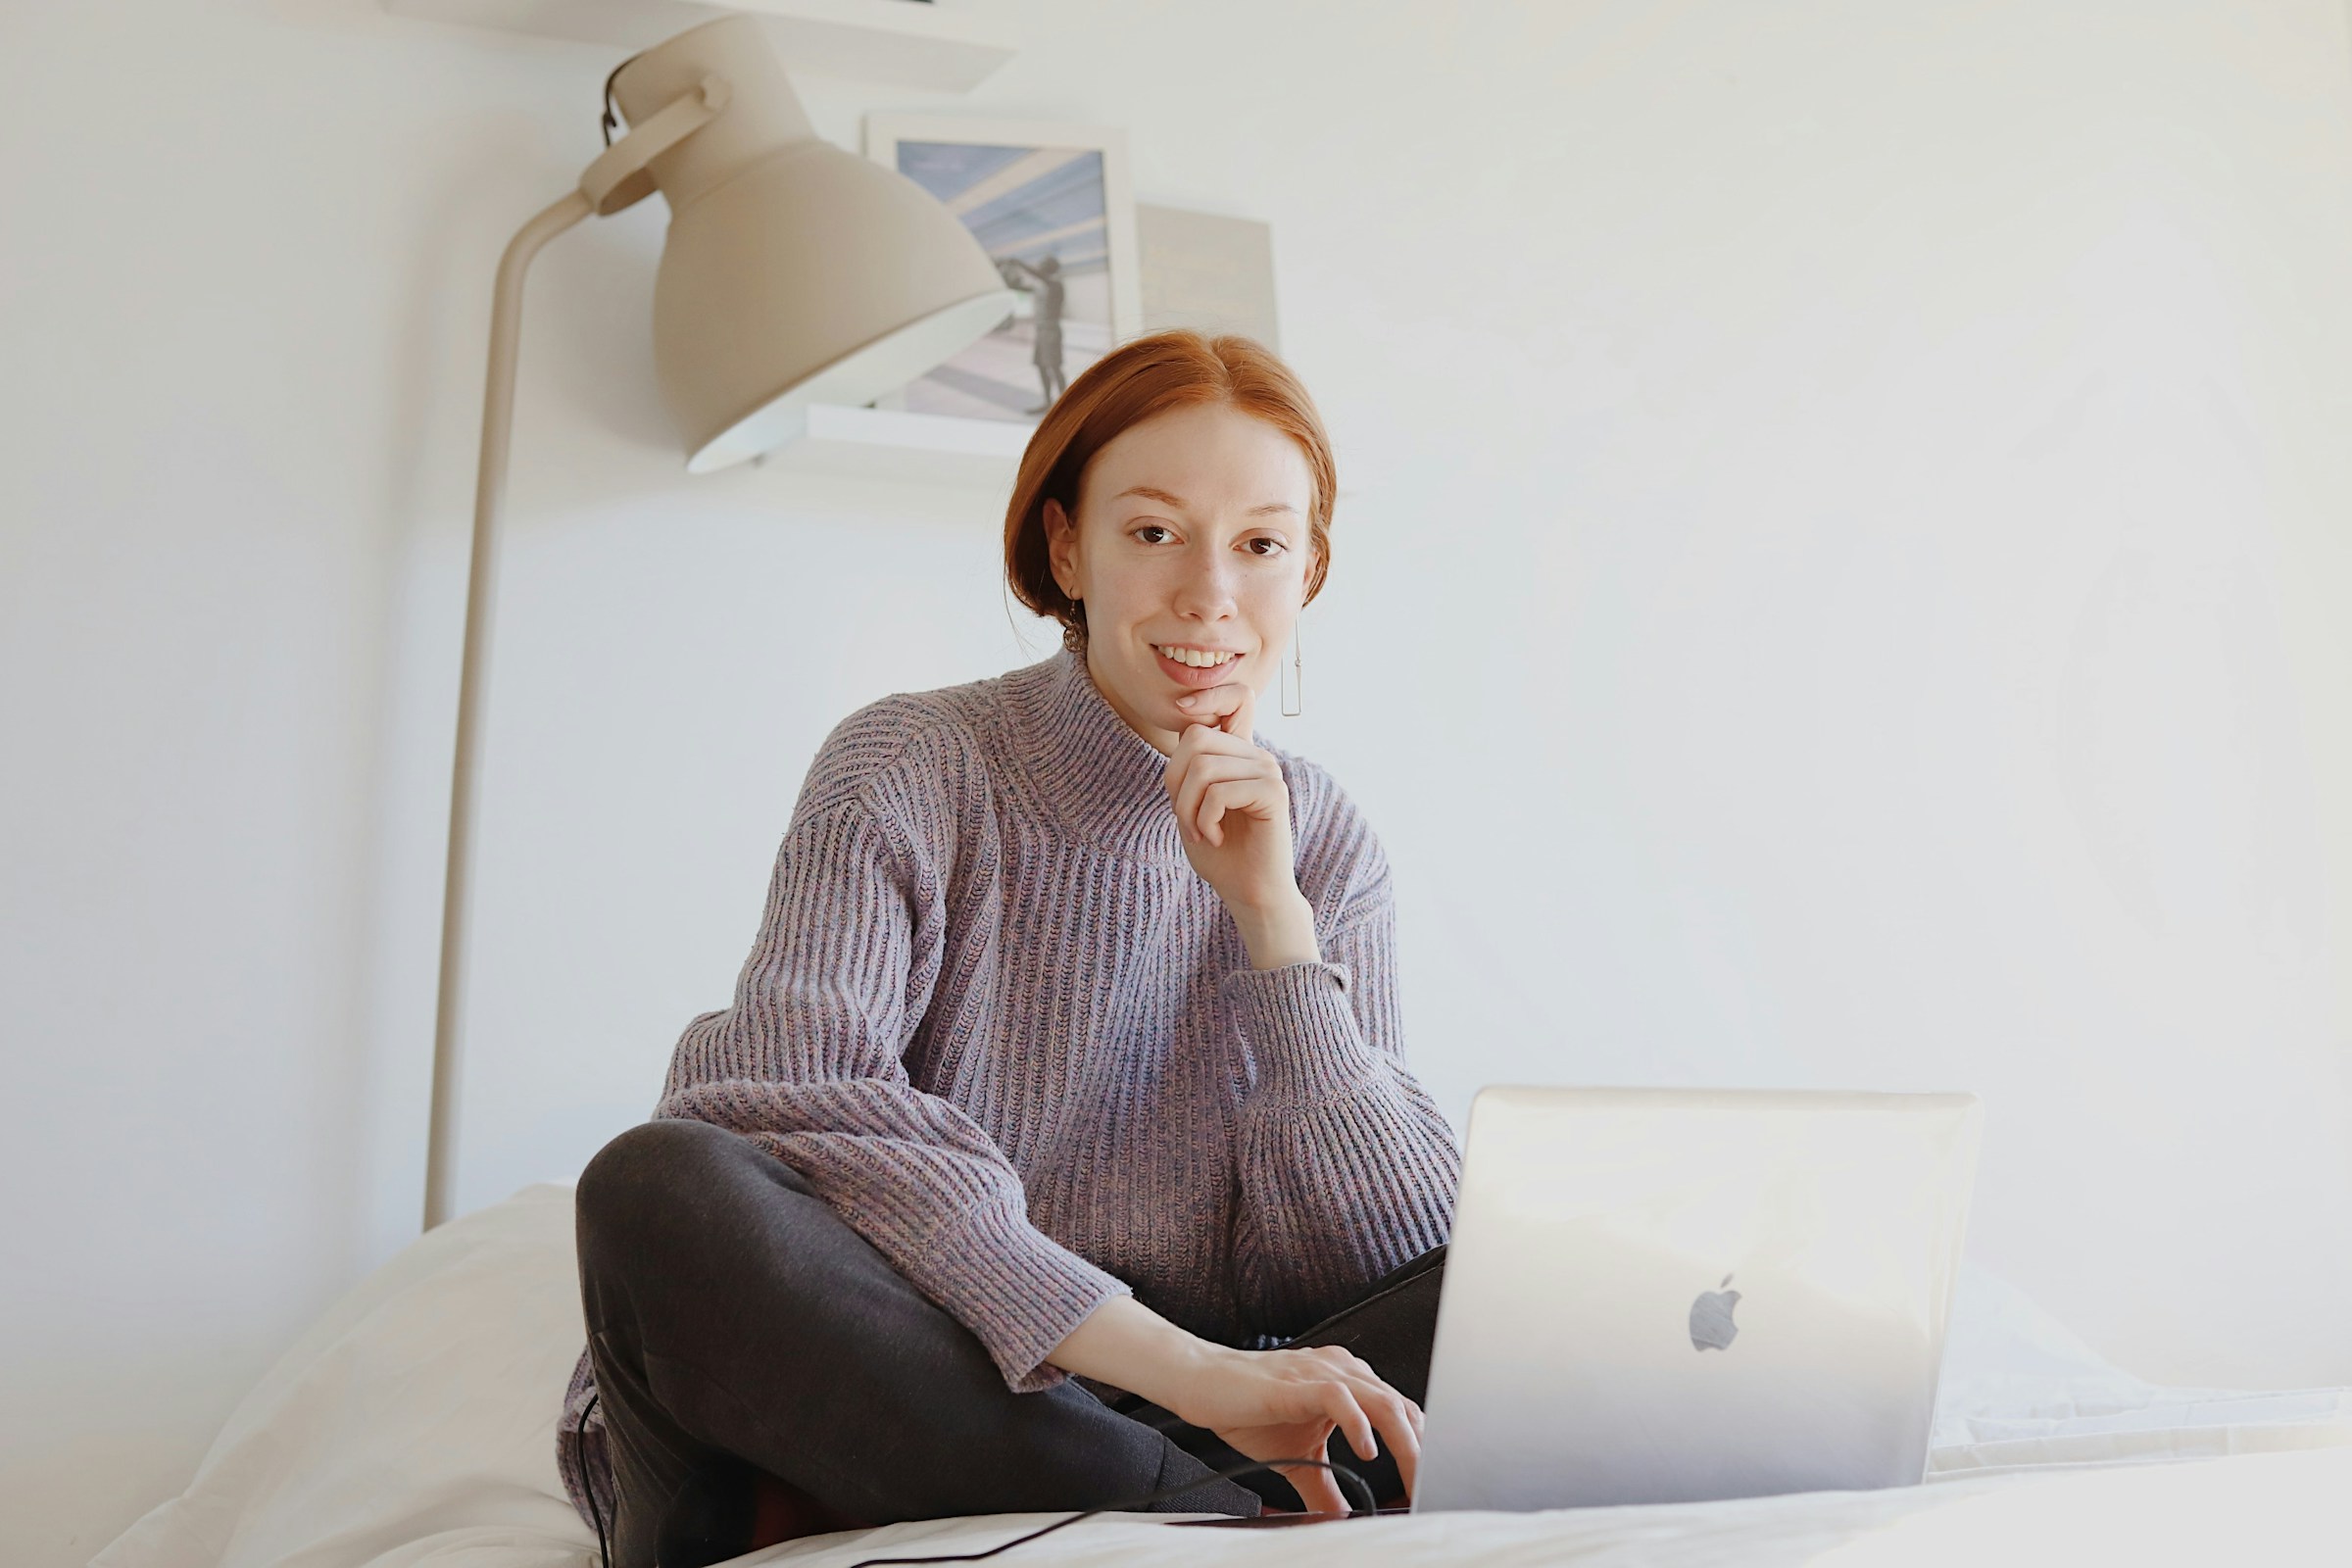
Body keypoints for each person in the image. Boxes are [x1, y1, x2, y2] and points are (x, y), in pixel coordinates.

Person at [554, 329, 1463, 1568]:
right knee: (661, 1189)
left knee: (1505, 1299)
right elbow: (778, 1104)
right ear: (1065, 546)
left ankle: (1162, 1487)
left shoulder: (1325, 839)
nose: (1210, 594)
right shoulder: (915, 764)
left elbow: (1378, 1254)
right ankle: (1211, 1516)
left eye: (1262, 543)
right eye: (1153, 532)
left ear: (1307, 572)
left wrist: (1274, 929)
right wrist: (1190, 1372)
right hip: (919, 1376)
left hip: (1183, 1408)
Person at [1000, 253, 1067, 411]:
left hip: (1051, 331)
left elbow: (1039, 276)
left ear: (1051, 267)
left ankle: (1065, 403)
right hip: (1041, 331)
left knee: (1054, 367)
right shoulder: (1041, 286)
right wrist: (1006, 271)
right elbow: (1016, 286)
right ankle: (1047, 401)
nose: (1039, 264)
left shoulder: (1056, 284)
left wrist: (1019, 262)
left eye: (1043, 262)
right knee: (1041, 366)